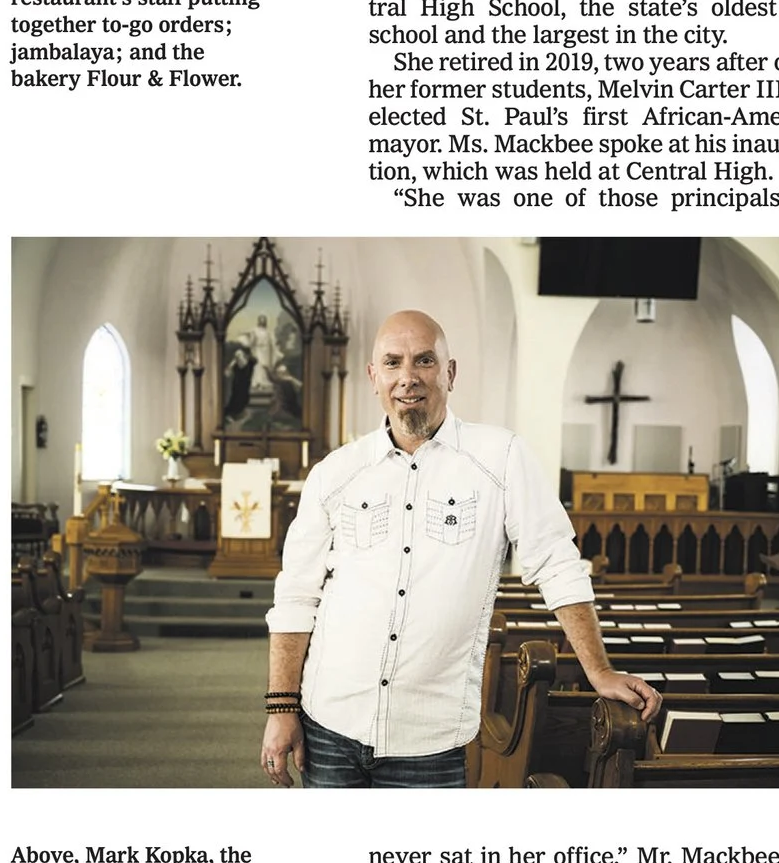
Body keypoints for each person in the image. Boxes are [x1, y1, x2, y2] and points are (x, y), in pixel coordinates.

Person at [264, 312, 663, 789]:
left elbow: (557, 563)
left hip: (430, 736)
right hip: (329, 720)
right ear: (374, 377)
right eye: (392, 363)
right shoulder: (335, 473)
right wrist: (282, 708)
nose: (408, 377)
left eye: (424, 361)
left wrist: (598, 670)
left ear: (450, 373)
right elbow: (296, 597)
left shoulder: (502, 458)